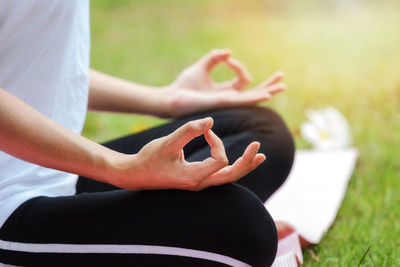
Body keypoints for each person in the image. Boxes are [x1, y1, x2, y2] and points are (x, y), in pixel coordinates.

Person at [0, 1, 294, 266]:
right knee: (243, 228)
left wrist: (166, 99)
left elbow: (42, 66)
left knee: (261, 131)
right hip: (8, 205)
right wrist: (120, 168)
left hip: (58, 170)